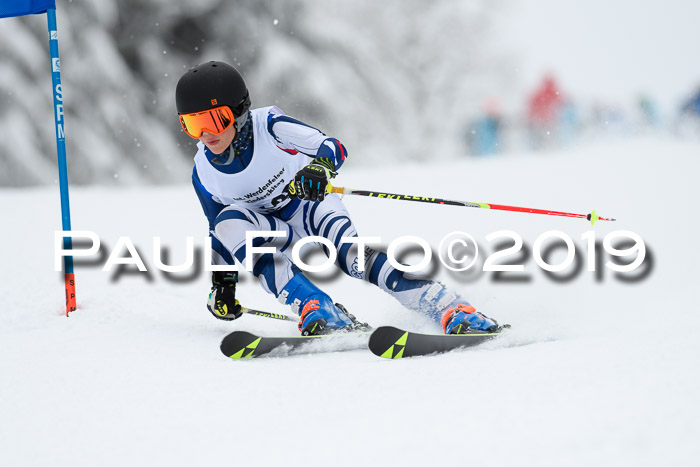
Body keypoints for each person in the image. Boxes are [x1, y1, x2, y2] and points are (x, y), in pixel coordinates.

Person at [175, 61, 500, 335]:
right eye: (193, 125)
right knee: (226, 222)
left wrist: (319, 168)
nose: (206, 135)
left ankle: (448, 307)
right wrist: (224, 285)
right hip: (271, 228)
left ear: (239, 110)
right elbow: (219, 234)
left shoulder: (269, 127)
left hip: (308, 204)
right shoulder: (203, 172)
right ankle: (315, 306)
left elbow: (332, 147)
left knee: (352, 258)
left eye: (214, 120)